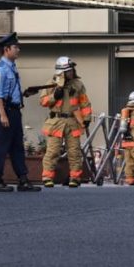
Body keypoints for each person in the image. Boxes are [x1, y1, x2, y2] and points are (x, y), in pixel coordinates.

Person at [0, 32, 40, 192]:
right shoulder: (0, 69)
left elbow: (10, 91)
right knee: (1, 146)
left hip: (14, 110)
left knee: (17, 145)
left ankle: (23, 179)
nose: (18, 49)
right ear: (6, 49)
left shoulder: (12, 67)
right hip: (5, 111)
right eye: (16, 47)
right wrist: (3, 115)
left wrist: (24, 94)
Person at [39, 56, 92, 188]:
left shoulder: (78, 84)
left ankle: (75, 177)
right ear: (61, 72)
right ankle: (47, 176)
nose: (71, 72)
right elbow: (43, 101)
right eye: (68, 70)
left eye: (72, 70)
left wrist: (86, 119)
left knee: (74, 151)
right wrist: (54, 96)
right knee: (53, 151)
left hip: (72, 121)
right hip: (56, 121)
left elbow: (85, 103)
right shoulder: (51, 83)